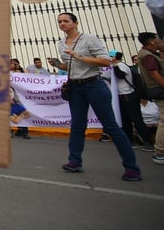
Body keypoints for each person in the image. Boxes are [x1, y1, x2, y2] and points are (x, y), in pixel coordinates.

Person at [52, 12, 141, 181]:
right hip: (76, 87)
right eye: (59, 21)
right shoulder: (61, 43)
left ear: (75, 23)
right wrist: (58, 64)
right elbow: (70, 65)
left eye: (65, 21)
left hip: (94, 85)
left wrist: (80, 56)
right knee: (77, 125)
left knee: (111, 126)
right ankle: (74, 161)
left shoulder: (89, 39)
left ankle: (132, 167)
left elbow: (106, 61)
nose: (62, 24)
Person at [110, 51, 154, 150]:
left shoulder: (121, 65)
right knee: (125, 120)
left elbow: (121, 75)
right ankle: (129, 141)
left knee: (136, 119)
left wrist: (115, 65)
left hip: (128, 95)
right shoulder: (116, 66)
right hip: (122, 96)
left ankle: (148, 141)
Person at [136, 32, 164, 165]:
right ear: (152, 41)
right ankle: (160, 152)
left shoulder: (152, 54)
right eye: (157, 38)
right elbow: (153, 73)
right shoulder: (147, 55)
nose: (159, 40)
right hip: (159, 90)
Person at [10, 58, 30, 139]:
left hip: (18, 98)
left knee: (24, 113)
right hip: (9, 96)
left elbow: (28, 78)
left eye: (15, 63)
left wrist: (18, 68)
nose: (13, 65)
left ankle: (24, 131)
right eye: (12, 63)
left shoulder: (19, 72)